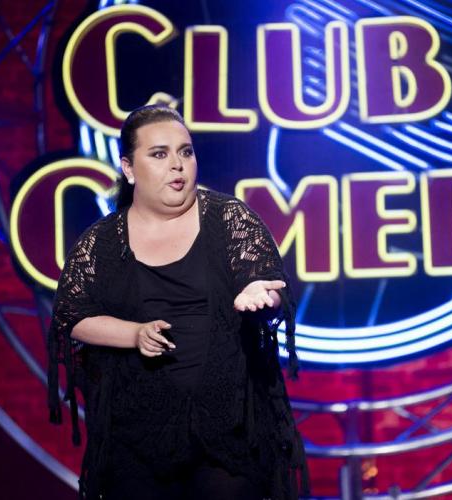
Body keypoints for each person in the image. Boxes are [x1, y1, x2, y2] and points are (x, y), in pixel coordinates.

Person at [47, 105, 308, 499]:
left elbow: (266, 284)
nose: (177, 165)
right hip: (137, 435)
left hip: (227, 430)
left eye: (185, 152)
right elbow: (72, 315)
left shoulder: (229, 219)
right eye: (159, 154)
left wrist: (259, 295)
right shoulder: (101, 242)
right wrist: (134, 334)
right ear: (129, 168)